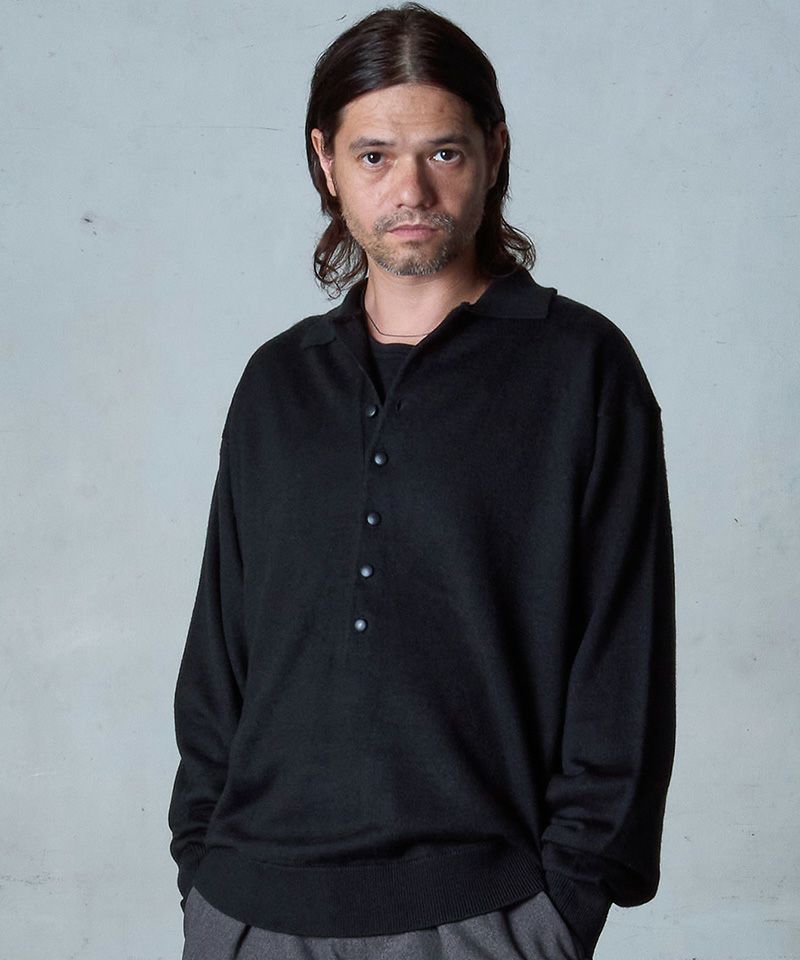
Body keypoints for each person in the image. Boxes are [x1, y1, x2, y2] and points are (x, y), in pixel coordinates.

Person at [168, 4, 677, 959]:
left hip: (481, 916)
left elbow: (623, 665)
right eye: (374, 156)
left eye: (443, 152)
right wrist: (202, 870)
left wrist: (561, 907)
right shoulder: (277, 381)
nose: (410, 189)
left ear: (494, 151)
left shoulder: (581, 369)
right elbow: (219, 656)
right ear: (326, 162)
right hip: (246, 910)